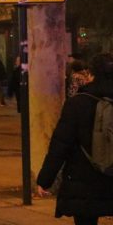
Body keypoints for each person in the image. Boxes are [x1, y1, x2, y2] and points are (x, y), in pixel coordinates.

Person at [37, 53, 113, 225]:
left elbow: (60, 145)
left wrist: (45, 179)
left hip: (84, 180)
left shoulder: (78, 103)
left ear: (91, 73)